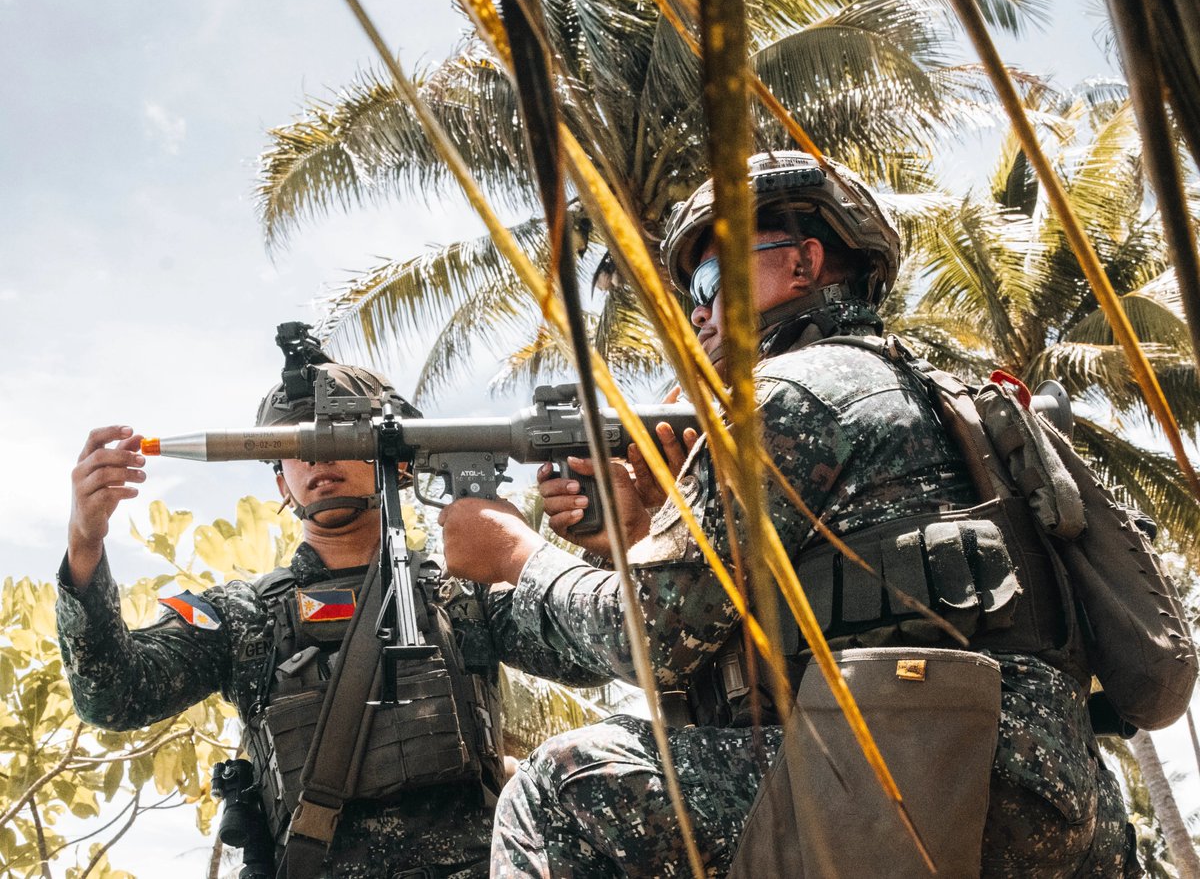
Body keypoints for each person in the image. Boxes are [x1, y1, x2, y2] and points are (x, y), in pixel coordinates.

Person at [436, 151, 1137, 876]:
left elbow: (647, 640)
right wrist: (639, 536)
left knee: (560, 790)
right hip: (1056, 800)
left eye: (710, 280)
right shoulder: (939, 394)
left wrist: (517, 554)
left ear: (803, 264)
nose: (698, 311)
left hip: (924, 781)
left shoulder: (791, 393)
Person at [57, 347, 605, 879]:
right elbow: (112, 697)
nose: (318, 456)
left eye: (339, 433)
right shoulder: (245, 616)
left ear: (396, 455)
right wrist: (86, 541)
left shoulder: (464, 592)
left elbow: (597, 655)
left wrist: (606, 541)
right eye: (296, 444)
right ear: (280, 482)